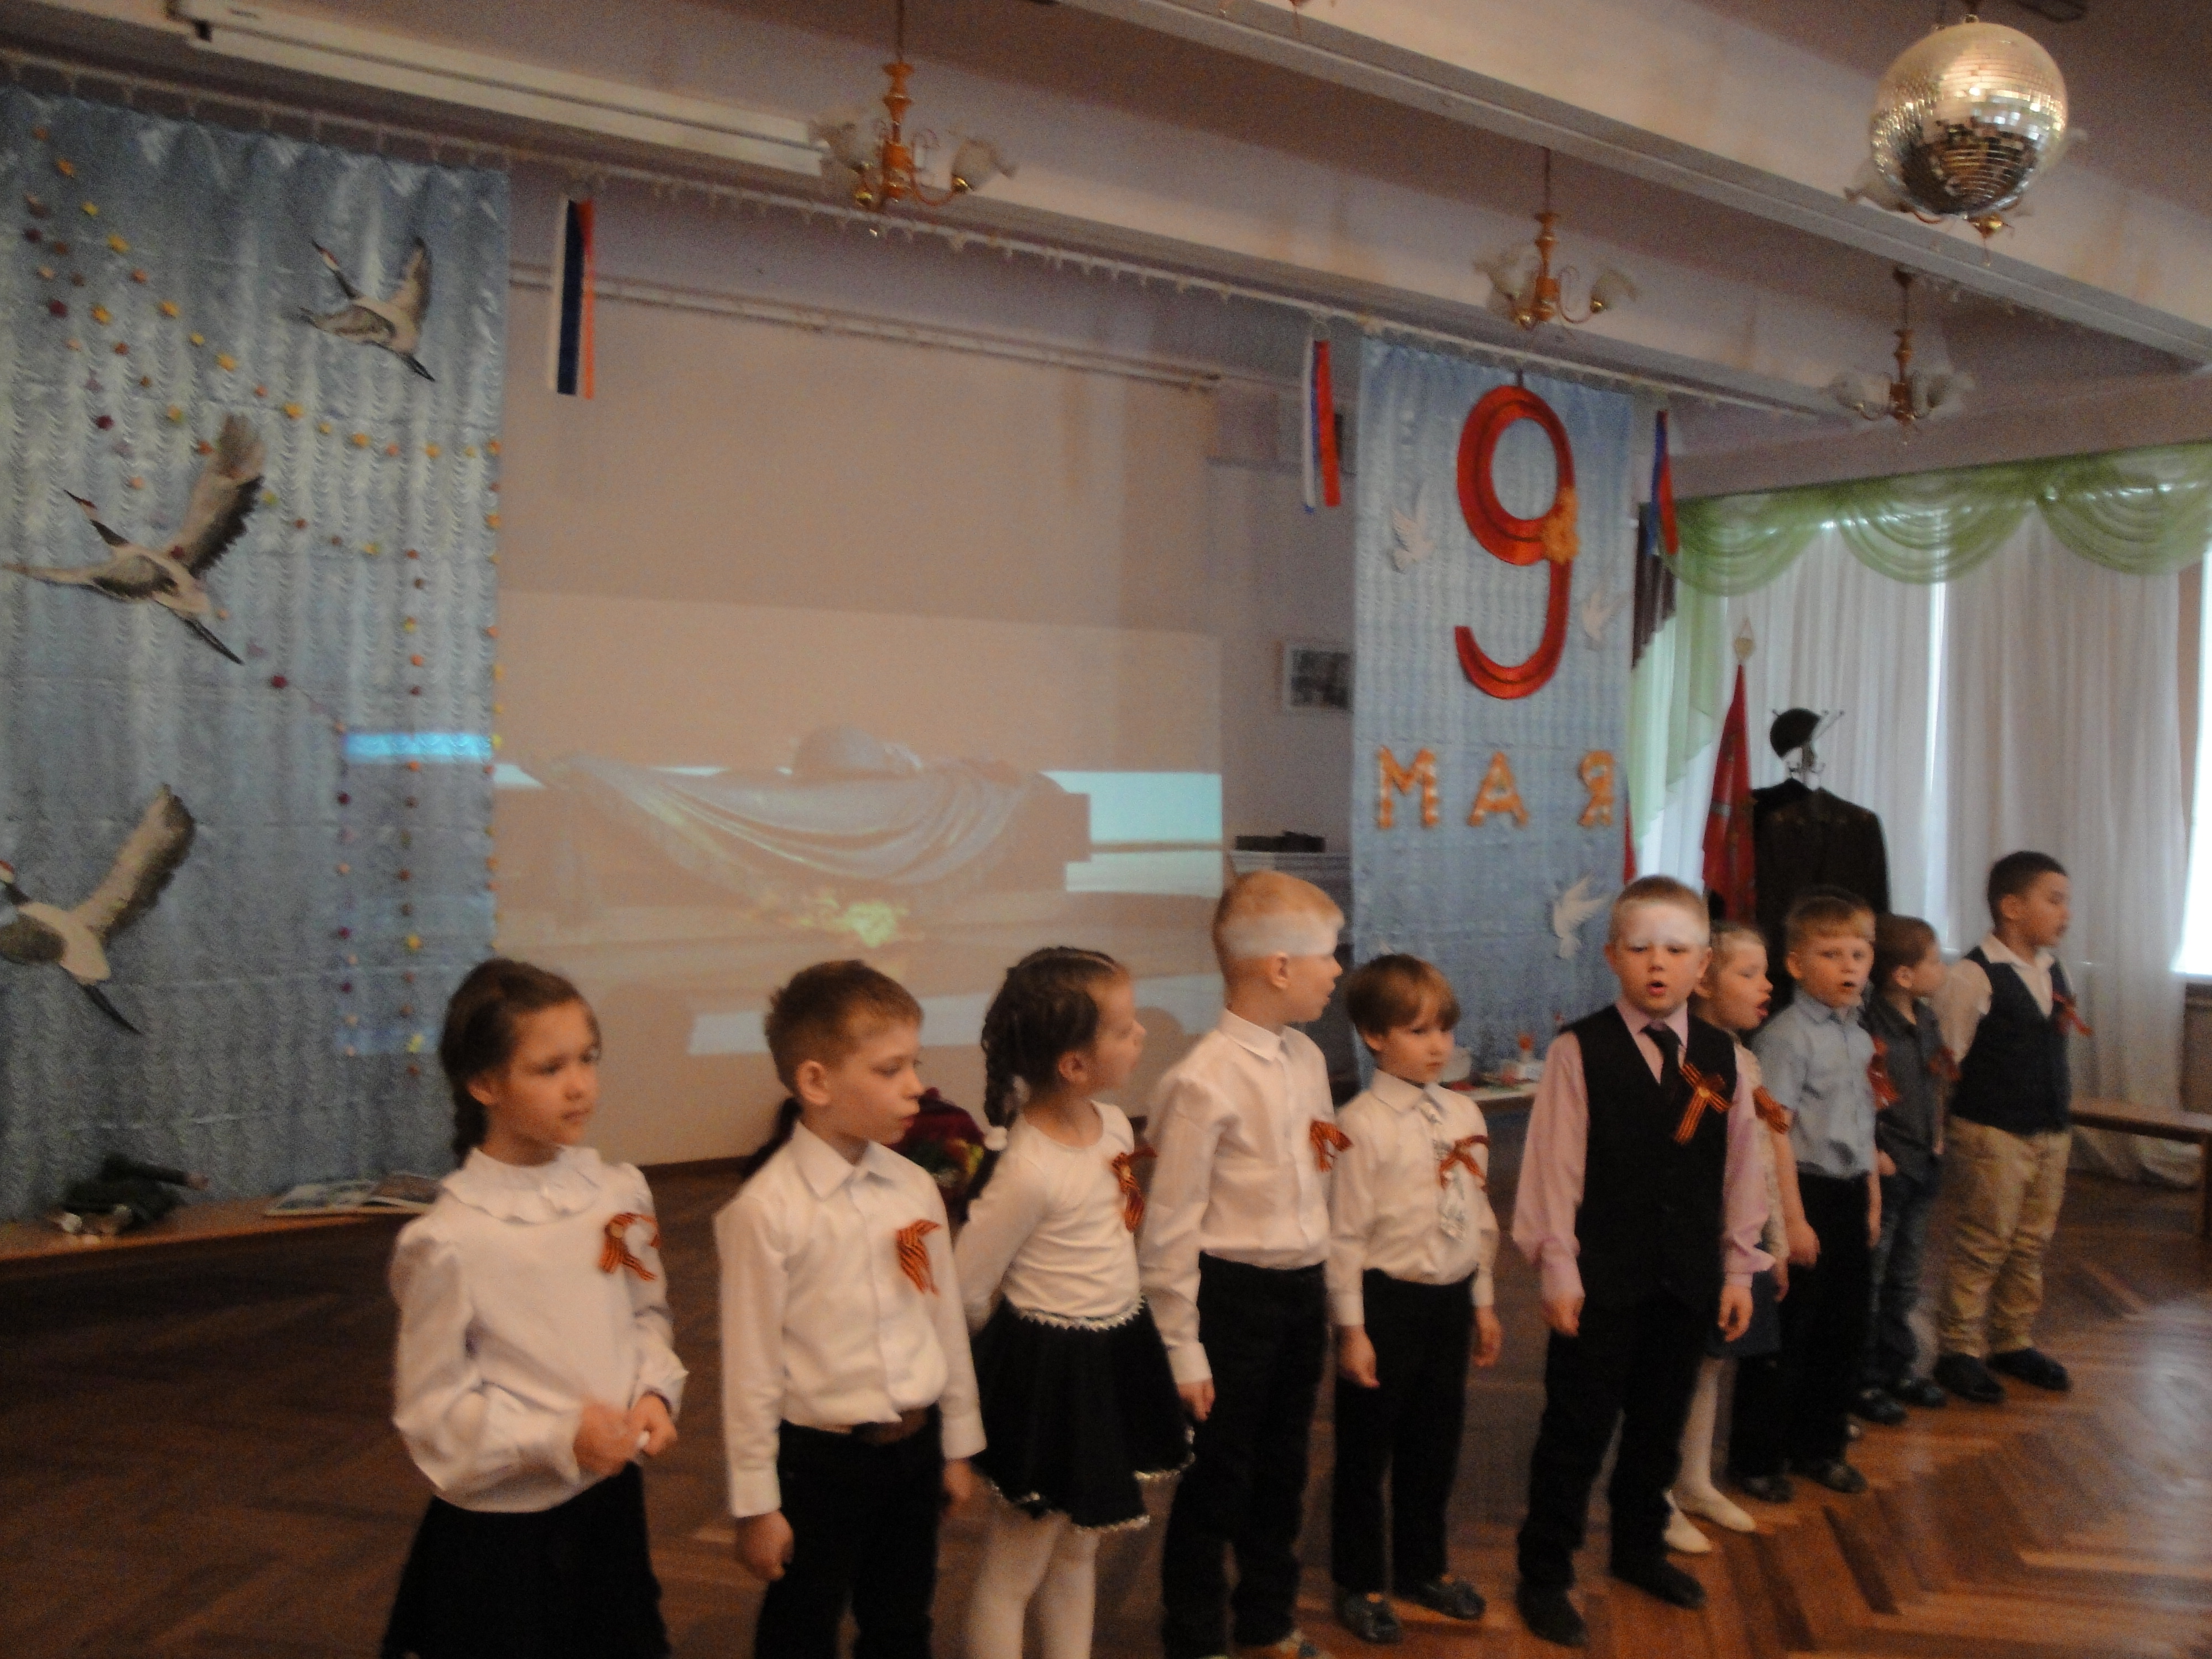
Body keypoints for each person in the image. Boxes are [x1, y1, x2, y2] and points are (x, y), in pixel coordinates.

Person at [383, 958, 685, 1659]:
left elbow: (645, 1314)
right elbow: (431, 1413)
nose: (580, 1086)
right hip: (502, 1538)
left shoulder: (618, 1198)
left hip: (608, 1504)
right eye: (550, 1069)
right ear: (485, 1084)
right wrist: (557, 1438)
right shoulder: (450, 1241)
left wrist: (652, 1391)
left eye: (588, 1058)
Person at [1512, 876, 1768, 1651]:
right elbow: (1553, 1167)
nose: (1658, 963)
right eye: (1641, 948)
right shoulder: (1579, 1051)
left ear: (1703, 965)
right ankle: (1545, 1573)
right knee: (1577, 1428)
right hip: (1602, 1280)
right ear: (1611, 956)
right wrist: (1558, 1266)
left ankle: (1638, 1548)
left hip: (1686, 1277)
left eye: (1677, 949)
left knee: (1659, 1423)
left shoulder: (1725, 1058)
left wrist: (1738, 1269)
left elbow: (1743, 1169)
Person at [716, 961, 982, 1659]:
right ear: (816, 1082)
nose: (916, 1086)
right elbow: (750, 1373)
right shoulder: (765, 1212)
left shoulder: (915, 1189)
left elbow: (941, 1320)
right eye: (890, 1070)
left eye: (914, 1065)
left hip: (914, 1449)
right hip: (821, 1463)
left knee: (902, 1622)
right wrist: (757, 1504)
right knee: (802, 1626)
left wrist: (957, 1444)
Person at [954, 947, 1190, 1659]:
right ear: (1074, 1065)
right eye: (1123, 1028)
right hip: (1050, 1375)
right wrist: (1013, 1360)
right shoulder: (1028, 1169)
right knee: (1015, 1565)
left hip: (1112, 1355)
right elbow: (966, 1286)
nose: (1140, 1034)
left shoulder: (1113, 1126)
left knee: (1078, 1549)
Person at [1140, 870, 1347, 1659]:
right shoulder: (1201, 1081)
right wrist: (1182, 1347)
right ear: (1280, 967)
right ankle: (1195, 1636)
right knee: (1219, 1476)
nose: (1337, 970)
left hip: (1299, 1291)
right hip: (1231, 1300)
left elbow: (1317, 1181)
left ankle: (1269, 1618)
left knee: (1285, 1467)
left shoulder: (1306, 1059)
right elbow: (1169, 1230)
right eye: (1327, 954)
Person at [1326, 953, 1501, 1646]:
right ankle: (1358, 1580)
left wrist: (1482, 1300)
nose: (1438, 1046)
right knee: (1366, 1450)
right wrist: (1351, 1330)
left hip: (1448, 1302)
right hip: (1384, 1304)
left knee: (1435, 1442)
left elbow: (1478, 1215)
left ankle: (1423, 1567)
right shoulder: (1358, 1124)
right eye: (1418, 1031)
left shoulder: (1462, 1111)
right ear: (1374, 1035)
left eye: (1444, 1030)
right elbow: (1344, 1236)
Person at [1729, 891, 1881, 1504]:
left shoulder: (1858, 1036)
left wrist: (1872, 1197)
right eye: (1832, 954)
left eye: (1859, 954)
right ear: (1795, 965)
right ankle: (1758, 1455)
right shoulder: (1787, 1038)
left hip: (1849, 1192)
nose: (1849, 966)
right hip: (1805, 1192)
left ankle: (1820, 1445)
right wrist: (1792, 1220)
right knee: (1789, 1332)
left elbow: (1865, 1125)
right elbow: (1775, 1132)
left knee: (1843, 1329)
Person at [1666, 920, 1796, 1553]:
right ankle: (1658, 1491)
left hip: (1740, 1242)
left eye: (1764, 973)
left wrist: (1774, 1240)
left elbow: (1763, 1159)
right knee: (1678, 1364)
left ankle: (1693, 1480)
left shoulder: (1744, 1059)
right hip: (1696, 1238)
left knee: (1713, 1362)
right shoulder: (1683, 1059)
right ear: (1703, 983)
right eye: (1748, 973)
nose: (1765, 985)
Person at [1930, 853, 2079, 1404]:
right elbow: (1945, 1061)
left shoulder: (2052, 970)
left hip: (2048, 1131)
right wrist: (1937, 1131)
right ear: (2011, 907)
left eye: (2066, 902)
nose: (2065, 914)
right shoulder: (1973, 976)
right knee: (1984, 1242)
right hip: (1992, 1132)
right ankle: (1958, 1348)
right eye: (2054, 901)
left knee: (2031, 1243)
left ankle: (2012, 1339)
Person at [1856, 915, 1952, 1420]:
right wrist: (1877, 1151)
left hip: (1923, 1161)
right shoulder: (1870, 1029)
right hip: (1890, 1167)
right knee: (1873, 1278)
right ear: (1903, 975)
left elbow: (1935, 1079)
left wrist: (1938, 1132)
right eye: (1934, 960)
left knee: (1907, 1276)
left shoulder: (1927, 1020)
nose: (1943, 969)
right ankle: (1864, 1378)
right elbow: (1862, 1096)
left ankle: (1898, 1366)